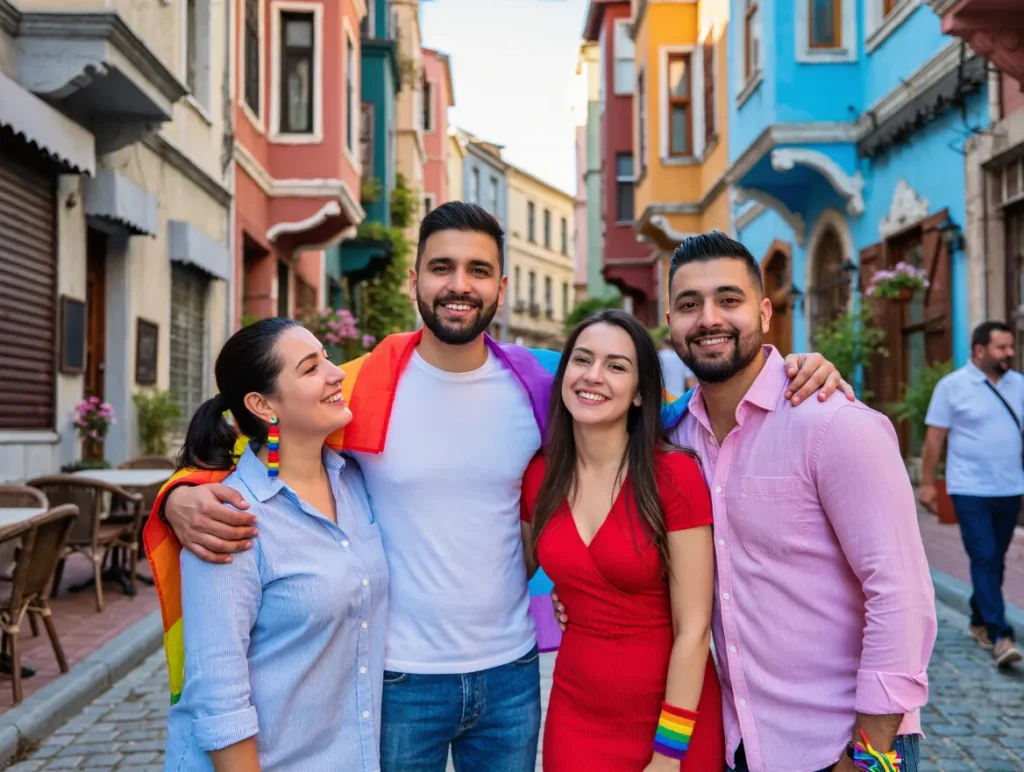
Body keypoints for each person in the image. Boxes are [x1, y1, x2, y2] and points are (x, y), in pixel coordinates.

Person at [146, 204, 852, 772]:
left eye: (479, 270)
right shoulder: (356, 386)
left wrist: (787, 369)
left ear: (501, 288)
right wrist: (176, 495)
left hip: (511, 678)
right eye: (443, 268)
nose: (461, 284)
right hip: (399, 679)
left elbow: (662, 412)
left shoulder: (541, 382)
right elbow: (251, 433)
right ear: (414, 281)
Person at [557, 232, 936, 772]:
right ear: (671, 322)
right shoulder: (670, 437)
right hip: (736, 743)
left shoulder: (833, 425)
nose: (709, 318)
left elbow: (902, 596)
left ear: (762, 311)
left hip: (842, 746)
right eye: (690, 305)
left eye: (728, 300)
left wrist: (867, 755)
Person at [159, 318, 388, 771]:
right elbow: (219, 700)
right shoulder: (229, 519)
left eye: (327, 357)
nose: (336, 372)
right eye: (310, 368)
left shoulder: (356, 483)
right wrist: (176, 498)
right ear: (263, 405)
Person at [521, 309, 724, 771]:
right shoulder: (539, 477)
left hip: (672, 720)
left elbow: (694, 628)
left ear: (639, 393)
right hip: (576, 716)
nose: (594, 376)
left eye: (617, 366)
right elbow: (509, 572)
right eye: (582, 360)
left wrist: (668, 755)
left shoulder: (673, 476)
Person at [920, 320, 1024, 667]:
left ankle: (979, 619)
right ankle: (1000, 634)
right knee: (984, 556)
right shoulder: (952, 387)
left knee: (994, 558)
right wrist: (929, 484)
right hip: (968, 488)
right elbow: (935, 439)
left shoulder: (1019, 386)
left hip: (1010, 487)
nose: (1009, 352)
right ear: (980, 350)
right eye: (1002, 347)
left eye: (1011, 346)